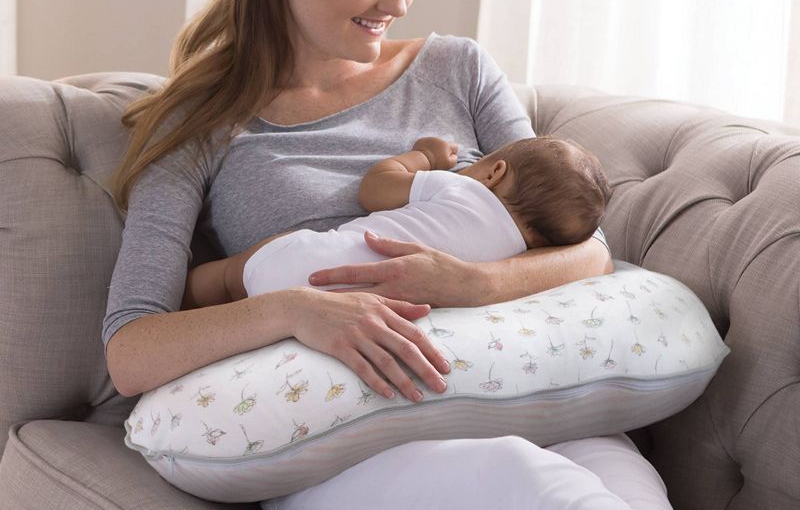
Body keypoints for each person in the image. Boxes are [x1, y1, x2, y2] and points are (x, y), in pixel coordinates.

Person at [103, 0, 761, 510]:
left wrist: (473, 282)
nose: (398, 2)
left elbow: (587, 252)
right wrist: (293, 309)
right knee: (530, 493)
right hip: (348, 439)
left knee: (633, 509)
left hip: (520, 386)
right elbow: (131, 350)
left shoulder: (459, 69)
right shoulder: (205, 121)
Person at [181, 134, 611, 308]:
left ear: (493, 172)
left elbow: (375, 188)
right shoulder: (518, 257)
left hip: (316, 262)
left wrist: (424, 157)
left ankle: (180, 301)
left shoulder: (462, 188)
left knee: (227, 277)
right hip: (367, 306)